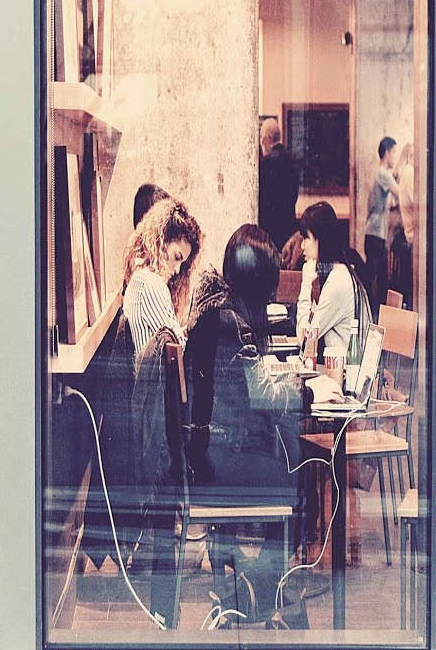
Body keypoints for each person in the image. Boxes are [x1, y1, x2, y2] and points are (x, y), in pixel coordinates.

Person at [183, 224, 318, 624]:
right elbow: (260, 395)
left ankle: (256, 581)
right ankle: (266, 583)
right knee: (301, 479)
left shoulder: (218, 313)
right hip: (220, 461)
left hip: (209, 453)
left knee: (292, 456)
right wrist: (302, 391)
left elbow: (247, 386)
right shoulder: (233, 324)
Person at [121, 198, 204, 355]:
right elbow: (178, 349)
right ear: (163, 241)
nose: (177, 270)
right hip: (157, 371)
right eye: (177, 257)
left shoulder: (141, 278)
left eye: (182, 263)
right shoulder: (150, 283)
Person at [296, 202, 373, 358]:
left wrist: (306, 284)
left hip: (345, 370)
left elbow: (304, 340)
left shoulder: (338, 282)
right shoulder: (340, 272)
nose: (302, 246)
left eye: (306, 238)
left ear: (319, 240)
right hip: (339, 365)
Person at [362, 137, 401, 308]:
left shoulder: (379, 174)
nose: (395, 157)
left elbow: (390, 201)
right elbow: (400, 191)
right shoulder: (383, 174)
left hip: (374, 234)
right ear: (387, 153)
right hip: (375, 234)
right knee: (378, 282)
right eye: (394, 152)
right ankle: (374, 317)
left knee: (377, 279)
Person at [257, 118, 299, 253]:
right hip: (288, 224)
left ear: (268, 138)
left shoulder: (266, 163)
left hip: (270, 228)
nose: (262, 143)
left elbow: (263, 199)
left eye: (262, 139)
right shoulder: (291, 160)